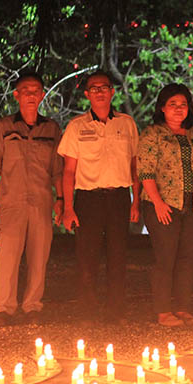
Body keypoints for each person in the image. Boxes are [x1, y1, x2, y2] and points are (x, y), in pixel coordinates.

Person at [58, 71, 140, 323]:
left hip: (118, 199)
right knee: (87, 258)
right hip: (88, 200)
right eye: (94, 89)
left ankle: (116, 311)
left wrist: (135, 201)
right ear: (87, 95)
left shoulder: (126, 123)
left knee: (118, 256)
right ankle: (88, 311)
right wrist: (68, 208)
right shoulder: (76, 127)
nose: (100, 92)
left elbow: (135, 165)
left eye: (104, 87)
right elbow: (69, 171)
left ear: (112, 91)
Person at [0, 72, 63, 326]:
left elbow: (57, 169)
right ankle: (5, 307)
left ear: (42, 95)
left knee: (39, 256)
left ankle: (32, 306)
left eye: (36, 90)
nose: (31, 94)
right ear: (16, 95)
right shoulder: (3, 127)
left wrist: (60, 198)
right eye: (25, 90)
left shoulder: (51, 129)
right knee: (8, 256)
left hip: (41, 201)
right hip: (12, 202)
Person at [138, 84, 193, 327]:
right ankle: (163, 311)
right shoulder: (153, 134)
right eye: (173, 104)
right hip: (163, 204)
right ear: (162, 107)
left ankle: (182, 308)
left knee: (187, 258)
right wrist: (158, 203)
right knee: (165, 258)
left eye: (183, 105)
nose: (178, 109)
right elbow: (145, 171)